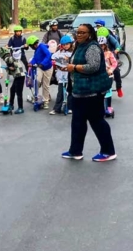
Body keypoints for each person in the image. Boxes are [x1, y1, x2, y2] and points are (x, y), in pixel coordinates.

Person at [61, 24, 116, 162]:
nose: (78, 35)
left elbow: (93, 67)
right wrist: (69, 66)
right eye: (77, 32)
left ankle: (108, 151)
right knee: (77, 122)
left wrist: (73, 67)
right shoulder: (80, 46)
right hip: (80, 91)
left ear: (90, 34)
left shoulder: (92, 47)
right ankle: (75, 151)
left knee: (97, 122)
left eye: (82, 32)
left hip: (92, 92)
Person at [97, 26, 124, 98]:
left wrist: (117, 49)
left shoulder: (110, 37)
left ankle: (119, 88)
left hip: (110, 55)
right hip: (101, 57)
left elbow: (116, 43)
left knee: (117, 72)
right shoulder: (96, 39)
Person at [27, 35, 53, 110]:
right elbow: (35, 58)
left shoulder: (41, 46)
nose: (32, 47)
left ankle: (45, 102)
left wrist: (43, 63)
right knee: (37, 80)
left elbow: (48, 55)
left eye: (31, 45)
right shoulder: (36, 50)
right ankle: (36, 96)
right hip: (40, 68)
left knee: (46, 85)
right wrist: (31, 63)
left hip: (48, 67)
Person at [50, 35, 74, 115]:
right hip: (61, 75)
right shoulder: (60, 52)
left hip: (70, 75)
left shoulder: (73, 52)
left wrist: (69, 60)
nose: (65, 46)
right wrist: (56, 63)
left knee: (70, 92)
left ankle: (70, 107)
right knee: (60, 92)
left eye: (67, 44)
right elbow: (53, 58)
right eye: (64, 45)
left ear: (70, 44)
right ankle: (57, 108)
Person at [0, 45, 26, 114]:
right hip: (18, 75)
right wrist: (8, 68)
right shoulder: (10, 58)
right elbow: (12, 68)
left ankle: (20, 108)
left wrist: (8, 68)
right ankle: (11, 105)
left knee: (19, 92)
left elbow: (13, 67)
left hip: (19, 76)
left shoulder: (7, 59)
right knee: (12, 89)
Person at [98, 36, 118, 116]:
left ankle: (109, 107)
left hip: (108, 76)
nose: (101, 47)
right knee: (99, 93)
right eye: (99, 45)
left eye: (102, 45)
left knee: (108, 92)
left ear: (105, 45)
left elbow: (114, 63)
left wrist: (111, 70)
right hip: (99, 76)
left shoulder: (109, 54)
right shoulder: (95, 54)